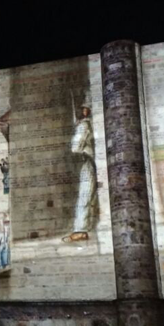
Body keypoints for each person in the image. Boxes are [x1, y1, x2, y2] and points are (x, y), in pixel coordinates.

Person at [64, 101, 98, 243]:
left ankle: (81, 230)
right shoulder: (87, 124)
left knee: (85, 195)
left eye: (84, 109)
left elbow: (76, 147)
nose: (82, 111)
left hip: (87, 160)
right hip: (90, 161)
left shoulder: (84, 125)